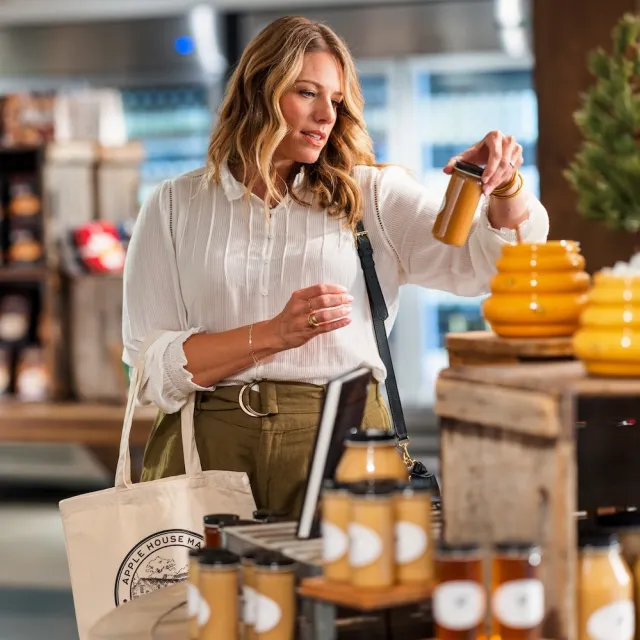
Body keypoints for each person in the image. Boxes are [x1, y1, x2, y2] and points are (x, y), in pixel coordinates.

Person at [122, 16, 549, 517]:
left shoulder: (371, 196)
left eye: (336, 100)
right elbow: (149, 370)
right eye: (307, 93)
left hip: (341, 443)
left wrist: (505, 189)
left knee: (341, 590)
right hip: (204, 449)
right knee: (206, 594)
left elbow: (488, 268)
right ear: (258, 89)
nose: (326, 114)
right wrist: (273, 334)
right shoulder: (174, 206)